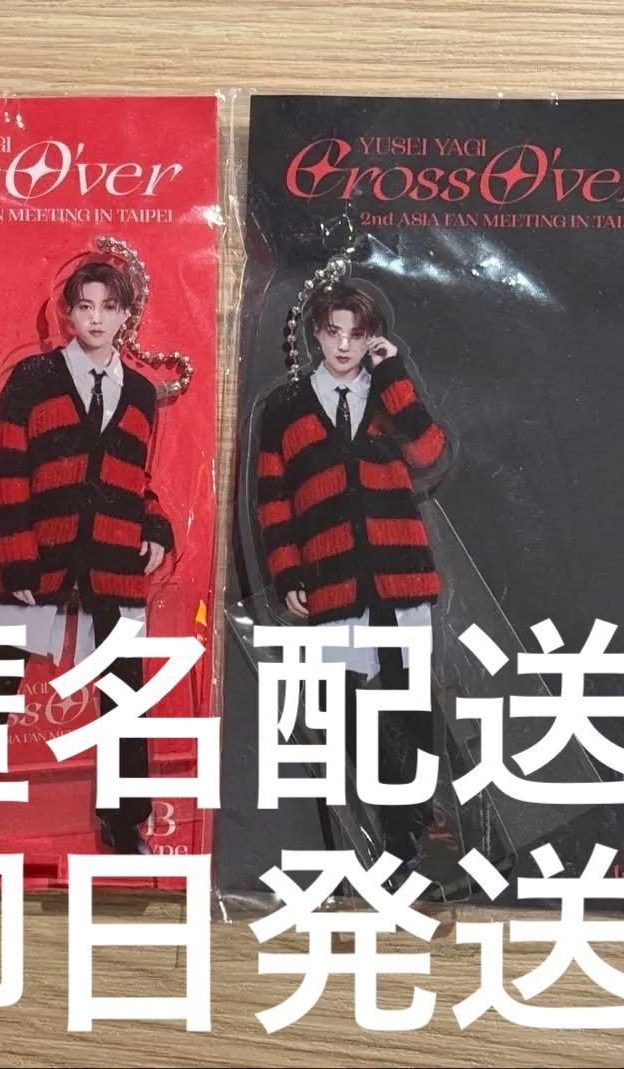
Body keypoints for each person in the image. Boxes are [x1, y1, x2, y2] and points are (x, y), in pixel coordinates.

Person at [0, 259, 172, 854]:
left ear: (126, 316)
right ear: (68, 313)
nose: (96, 318)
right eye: (85, 306)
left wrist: (156, 527)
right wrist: (18, 558)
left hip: (113, 560)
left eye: (109, 308)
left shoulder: (139, 392)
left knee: (124, 692)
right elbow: (8, 470)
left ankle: (124, 820)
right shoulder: (32, 378)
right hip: (41, 557)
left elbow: (137, 477)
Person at [255, 279, 450, 863]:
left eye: (357, 335)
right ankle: (398, 818)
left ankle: (413, 823)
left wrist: (394, 377)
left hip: (399, 573)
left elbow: (429, 454)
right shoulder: (285, 407)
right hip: (333, 579)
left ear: (371, 339)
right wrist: (288, 574)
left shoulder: (388, 392)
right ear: (315, 334)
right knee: (347, 705)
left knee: (412, 700)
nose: (343, 345)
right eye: (333, 332)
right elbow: (273, 500)